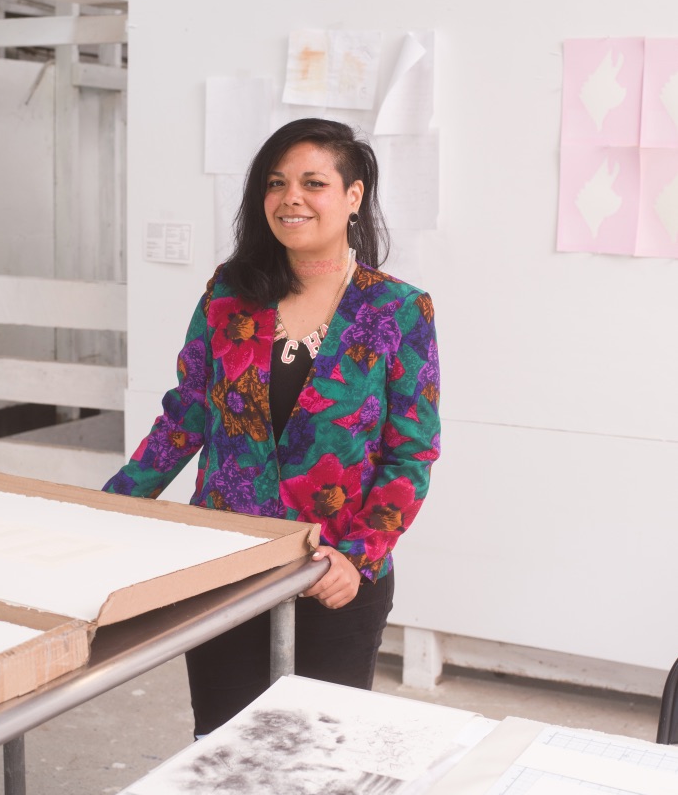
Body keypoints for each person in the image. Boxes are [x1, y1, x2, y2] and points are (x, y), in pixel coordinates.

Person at [103, 118, 440, 734]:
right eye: (276, 183)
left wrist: (359, 557)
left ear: (354, 196)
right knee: (221, 746)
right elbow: (186, 416)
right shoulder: (230, 293)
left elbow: (411, 454)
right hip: (225, 566)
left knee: (314, 758)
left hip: (331, 573)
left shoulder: (397, 309)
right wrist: (109, 509)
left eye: (314, 182)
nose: (291, 198)